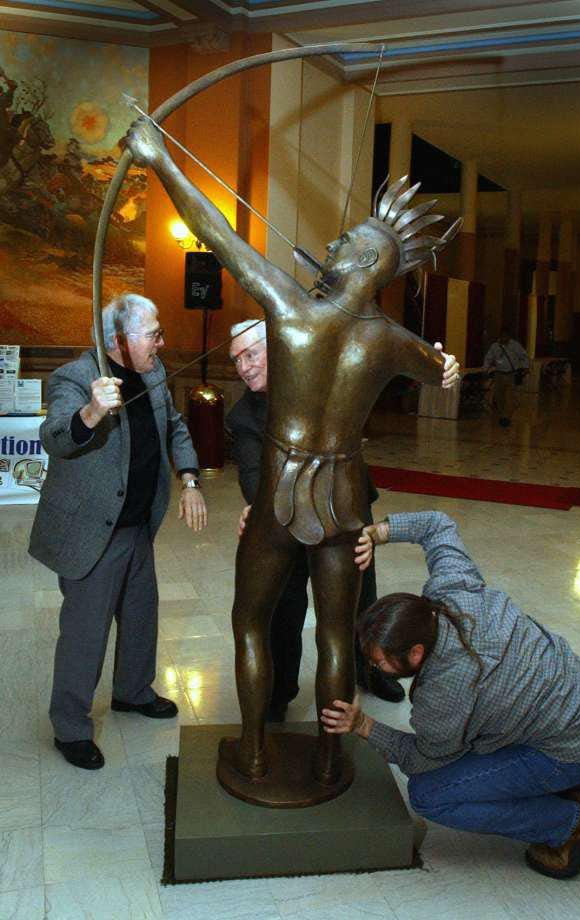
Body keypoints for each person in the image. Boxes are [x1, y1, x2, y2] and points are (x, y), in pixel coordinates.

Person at [126, 118, 460, 791]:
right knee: (337, 635)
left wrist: (159, 157)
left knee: (250, 619)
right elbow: (439, 369)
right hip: (340, 500)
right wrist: (445, 366)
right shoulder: (393, 340)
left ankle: (252, 752)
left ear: (367, 264)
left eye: (346, 243)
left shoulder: (291, 307)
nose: (331, 246)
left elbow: (217, 234)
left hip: (281, 496)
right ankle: (332, 758)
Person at [321, 511, 580, 879]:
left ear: (416, 654)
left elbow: (423, 759)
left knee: (431, 794)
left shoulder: (444, 697)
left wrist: (365, 726)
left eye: (380, 662)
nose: (374, 669)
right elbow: (438, 525)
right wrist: (379, 533)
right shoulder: (454, 590)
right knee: (545, 749)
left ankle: (571, 828)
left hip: (564, 748)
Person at [29, 293, 208, 770]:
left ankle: (132, 691)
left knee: (141, 614)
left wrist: (189, 479)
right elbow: (55, 438)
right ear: (118, 341)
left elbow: (174, 427)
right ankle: (69, 727)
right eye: (153, 334)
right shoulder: (75, 377)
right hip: (92, 532)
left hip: (136, 525)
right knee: (85, 635)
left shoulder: (152, 374)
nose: (162, 342)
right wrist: (91, 412)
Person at [226, 319, 405, 718]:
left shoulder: (322, 381)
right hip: (286, 521)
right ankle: (278, 693)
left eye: (250, 354)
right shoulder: (243, 416)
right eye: (236, 359)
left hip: (344, 510)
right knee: (284, 610)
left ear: (275, 349)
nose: (244, 367)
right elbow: (254, 473)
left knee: (360, 601)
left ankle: (369, 671)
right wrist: (257, 510)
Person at [483, 326, 530, 427]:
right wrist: (485, 369)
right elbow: (488, 358)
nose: (504, 338)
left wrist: (525, 367)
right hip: (499, 373)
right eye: (502, 336)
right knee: (499, 396)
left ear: (509, 336)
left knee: (510, 397)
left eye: (506, 336)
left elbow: (524, 356)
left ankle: (506, 417)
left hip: (511, 374)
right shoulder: (494, 346)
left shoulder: (515, 346)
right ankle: (502, 414)